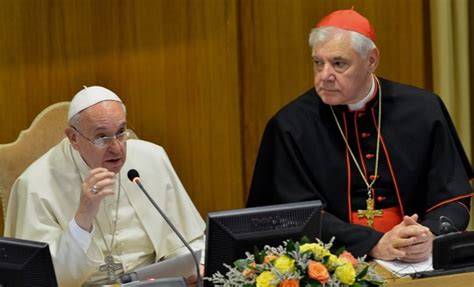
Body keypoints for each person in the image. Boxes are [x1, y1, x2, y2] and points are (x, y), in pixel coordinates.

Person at [247, 9, 473, 263]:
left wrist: (428, 235)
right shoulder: (289, 126)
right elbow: (288, 215)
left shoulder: (423, 109)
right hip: (331, 261)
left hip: (417, 260)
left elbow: (453, 195)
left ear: (371, 60)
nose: (325, 76)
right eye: (318, 63)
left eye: (339, 63)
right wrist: (373, 243)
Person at [4, 86, 206, 286]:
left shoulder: (151, 158)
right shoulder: (34, 184)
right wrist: (83, 217)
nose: (117, 148)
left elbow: (187, 242)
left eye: (120, 132)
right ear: (74, 138)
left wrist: (193, 266)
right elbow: (37, 277)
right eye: (102, 137)